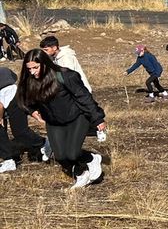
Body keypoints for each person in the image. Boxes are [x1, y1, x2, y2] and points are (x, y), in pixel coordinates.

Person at [17, 49, 106, 188]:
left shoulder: (65, 76)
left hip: (77, 117)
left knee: (72, 154)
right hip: (54, 121)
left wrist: (98, 119)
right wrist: (32, 111)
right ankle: (81, 175)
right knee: (60, 156)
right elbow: (21, 100)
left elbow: (84, 97)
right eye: (29, 68)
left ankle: (92, 158)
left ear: (45, 64)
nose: (32, 72)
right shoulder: (29, 80)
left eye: (36, 67)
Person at [0, 66, 45, 173]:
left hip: (12, 98)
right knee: (19, 132)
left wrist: (0, 118)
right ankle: (44, 143)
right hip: (16, 94)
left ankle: (45, 143)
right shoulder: (4, 71)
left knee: (20, 132)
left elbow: (0, 105)